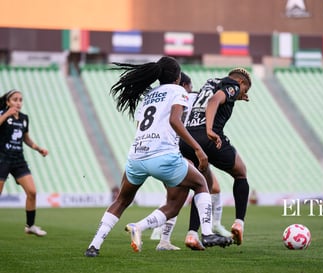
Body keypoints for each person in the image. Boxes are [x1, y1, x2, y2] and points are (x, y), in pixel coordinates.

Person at [84, 57, 232, 257]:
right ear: (178, 77)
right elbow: (174, 121)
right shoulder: (179, 91)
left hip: (137, 156)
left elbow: (140, 127)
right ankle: (206, 234)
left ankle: (94, 246)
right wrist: (198, 148)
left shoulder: (148, 96)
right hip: (163, 156)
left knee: (122, 201)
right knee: (200, 183)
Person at [151, 72, 231, 251]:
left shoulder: (164, 100)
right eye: (190, 85)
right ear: (183, 85)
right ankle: (147, 228)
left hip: (163, 149)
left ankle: (164, 237)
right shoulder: (186, 97)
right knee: (185, 195)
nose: (192, 89)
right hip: (186, 149)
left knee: (179, 195)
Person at [179, 68, 252, 249]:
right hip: (207, 138)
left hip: (187, 139)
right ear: (241, 83)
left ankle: (192, 234)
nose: (243, 94)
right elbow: (214, 101)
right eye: (245, 90)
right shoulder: (233, 85)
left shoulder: (212, 82)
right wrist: (210, 130)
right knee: (241, 172)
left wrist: (236, 97)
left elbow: (209, 98)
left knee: (201, 185)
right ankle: (239, 223)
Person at [0, 89, 48, 236]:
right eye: (15, 99)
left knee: (32, 192)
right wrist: (6, 114)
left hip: (18, 159)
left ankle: (30, 226)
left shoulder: (24, 118)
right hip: (2, 158)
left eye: (20, 100)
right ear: (8, 102)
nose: (18, 102)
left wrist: (38, 148)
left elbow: (25, 137)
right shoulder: (2, 114)